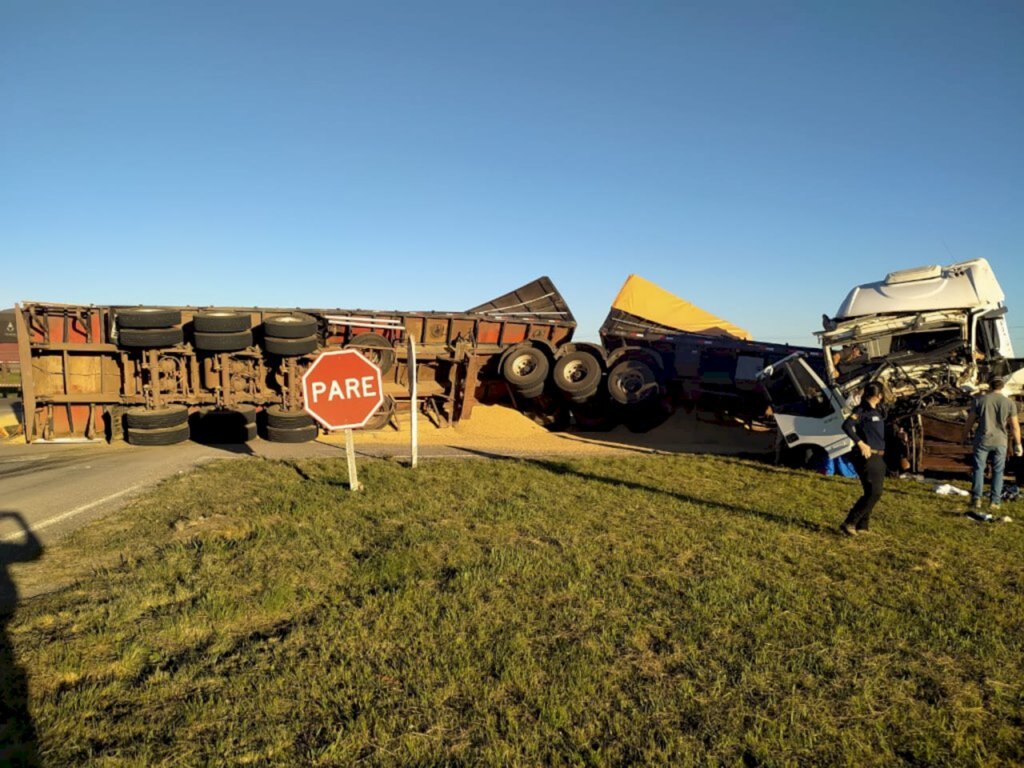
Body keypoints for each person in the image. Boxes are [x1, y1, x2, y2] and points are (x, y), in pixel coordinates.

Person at [963, 377, 1022, 511]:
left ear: (989, 386)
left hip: (982, 439)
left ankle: (976, 499)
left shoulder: (979, 400)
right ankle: (995, 501)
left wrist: (963, 436)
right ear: (1002, 387)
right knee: (998, 471)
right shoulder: (1009, 403)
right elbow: (1015, 426)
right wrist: (1018, 444)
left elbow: (970, 421)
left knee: (978, 468)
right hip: (1000, 441)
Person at [839, 381, 887, 536]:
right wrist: (860, 443)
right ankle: (850, 522)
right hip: (868, 454)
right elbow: (846, 425)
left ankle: (862, 525)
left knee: (870, 491)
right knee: (875, 492)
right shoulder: (862, 410)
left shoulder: (877, 410)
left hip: (878, 455)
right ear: (878, 396)